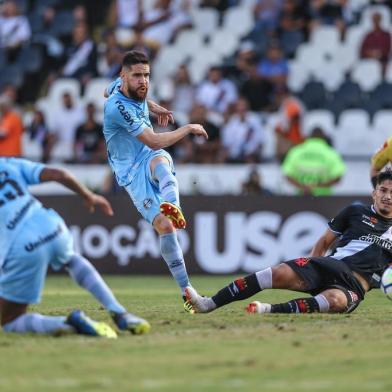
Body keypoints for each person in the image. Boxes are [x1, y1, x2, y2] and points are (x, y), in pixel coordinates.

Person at [185, 169, 392, 315]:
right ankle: (208, 304)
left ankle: (268, 309)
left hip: (355, 286)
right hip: (330, 265)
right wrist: (312, 266)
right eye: (383, 190)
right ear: (374, 193)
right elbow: (324, 241)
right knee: (275, 273)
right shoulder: (355, 211)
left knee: (335, 301)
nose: (387, 196)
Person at [103, 50, 208, 312]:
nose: (144, 81)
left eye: (147, 75)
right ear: (124, 75)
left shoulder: (118, 86)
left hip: (146, 156)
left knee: (160, 162)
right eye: (137, 76)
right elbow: (153, 139)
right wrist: (187, 128)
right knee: (164, 227)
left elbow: (109, 91)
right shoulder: (117, 108)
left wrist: (153, 105)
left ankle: (174, 206)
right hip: (129, 172)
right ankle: (187, 291)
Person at [0, 157, 150, 338]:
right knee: (71, 259)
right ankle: (120, 312)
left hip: (21, 243)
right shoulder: (6, 163)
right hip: (50, 224)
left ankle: (70, 323)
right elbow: (59, 174)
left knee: (10, 320)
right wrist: (89, 195)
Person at [282, 127, 345, 196]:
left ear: (309, 137)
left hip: (300, 198)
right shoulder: (331, 153)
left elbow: (288, 175)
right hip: (324, 200)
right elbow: (338, 177)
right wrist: (318, 187)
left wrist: (303, 187)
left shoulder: (296, 151)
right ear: (324, 137)